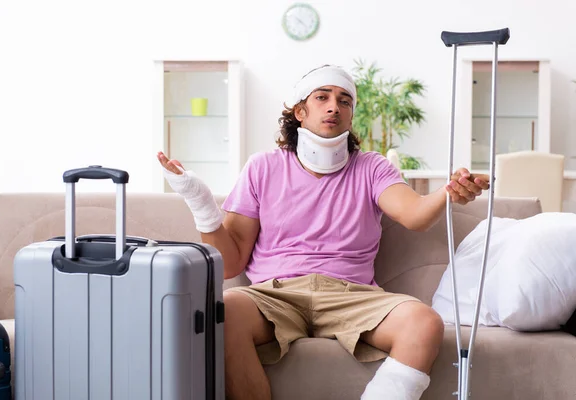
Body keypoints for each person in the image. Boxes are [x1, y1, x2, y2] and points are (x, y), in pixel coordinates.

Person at [156, 64, 489, 400]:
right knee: (221, 310)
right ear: (300, 111)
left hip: (352, 295)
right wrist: (200, 202)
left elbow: (415, 214)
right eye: (323, 97)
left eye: (345, 101)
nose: (335, 106)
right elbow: (229, 264)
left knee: (424, 322)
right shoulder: (263, 167)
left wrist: (448, 192)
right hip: (275, 293)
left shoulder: (372, 167)